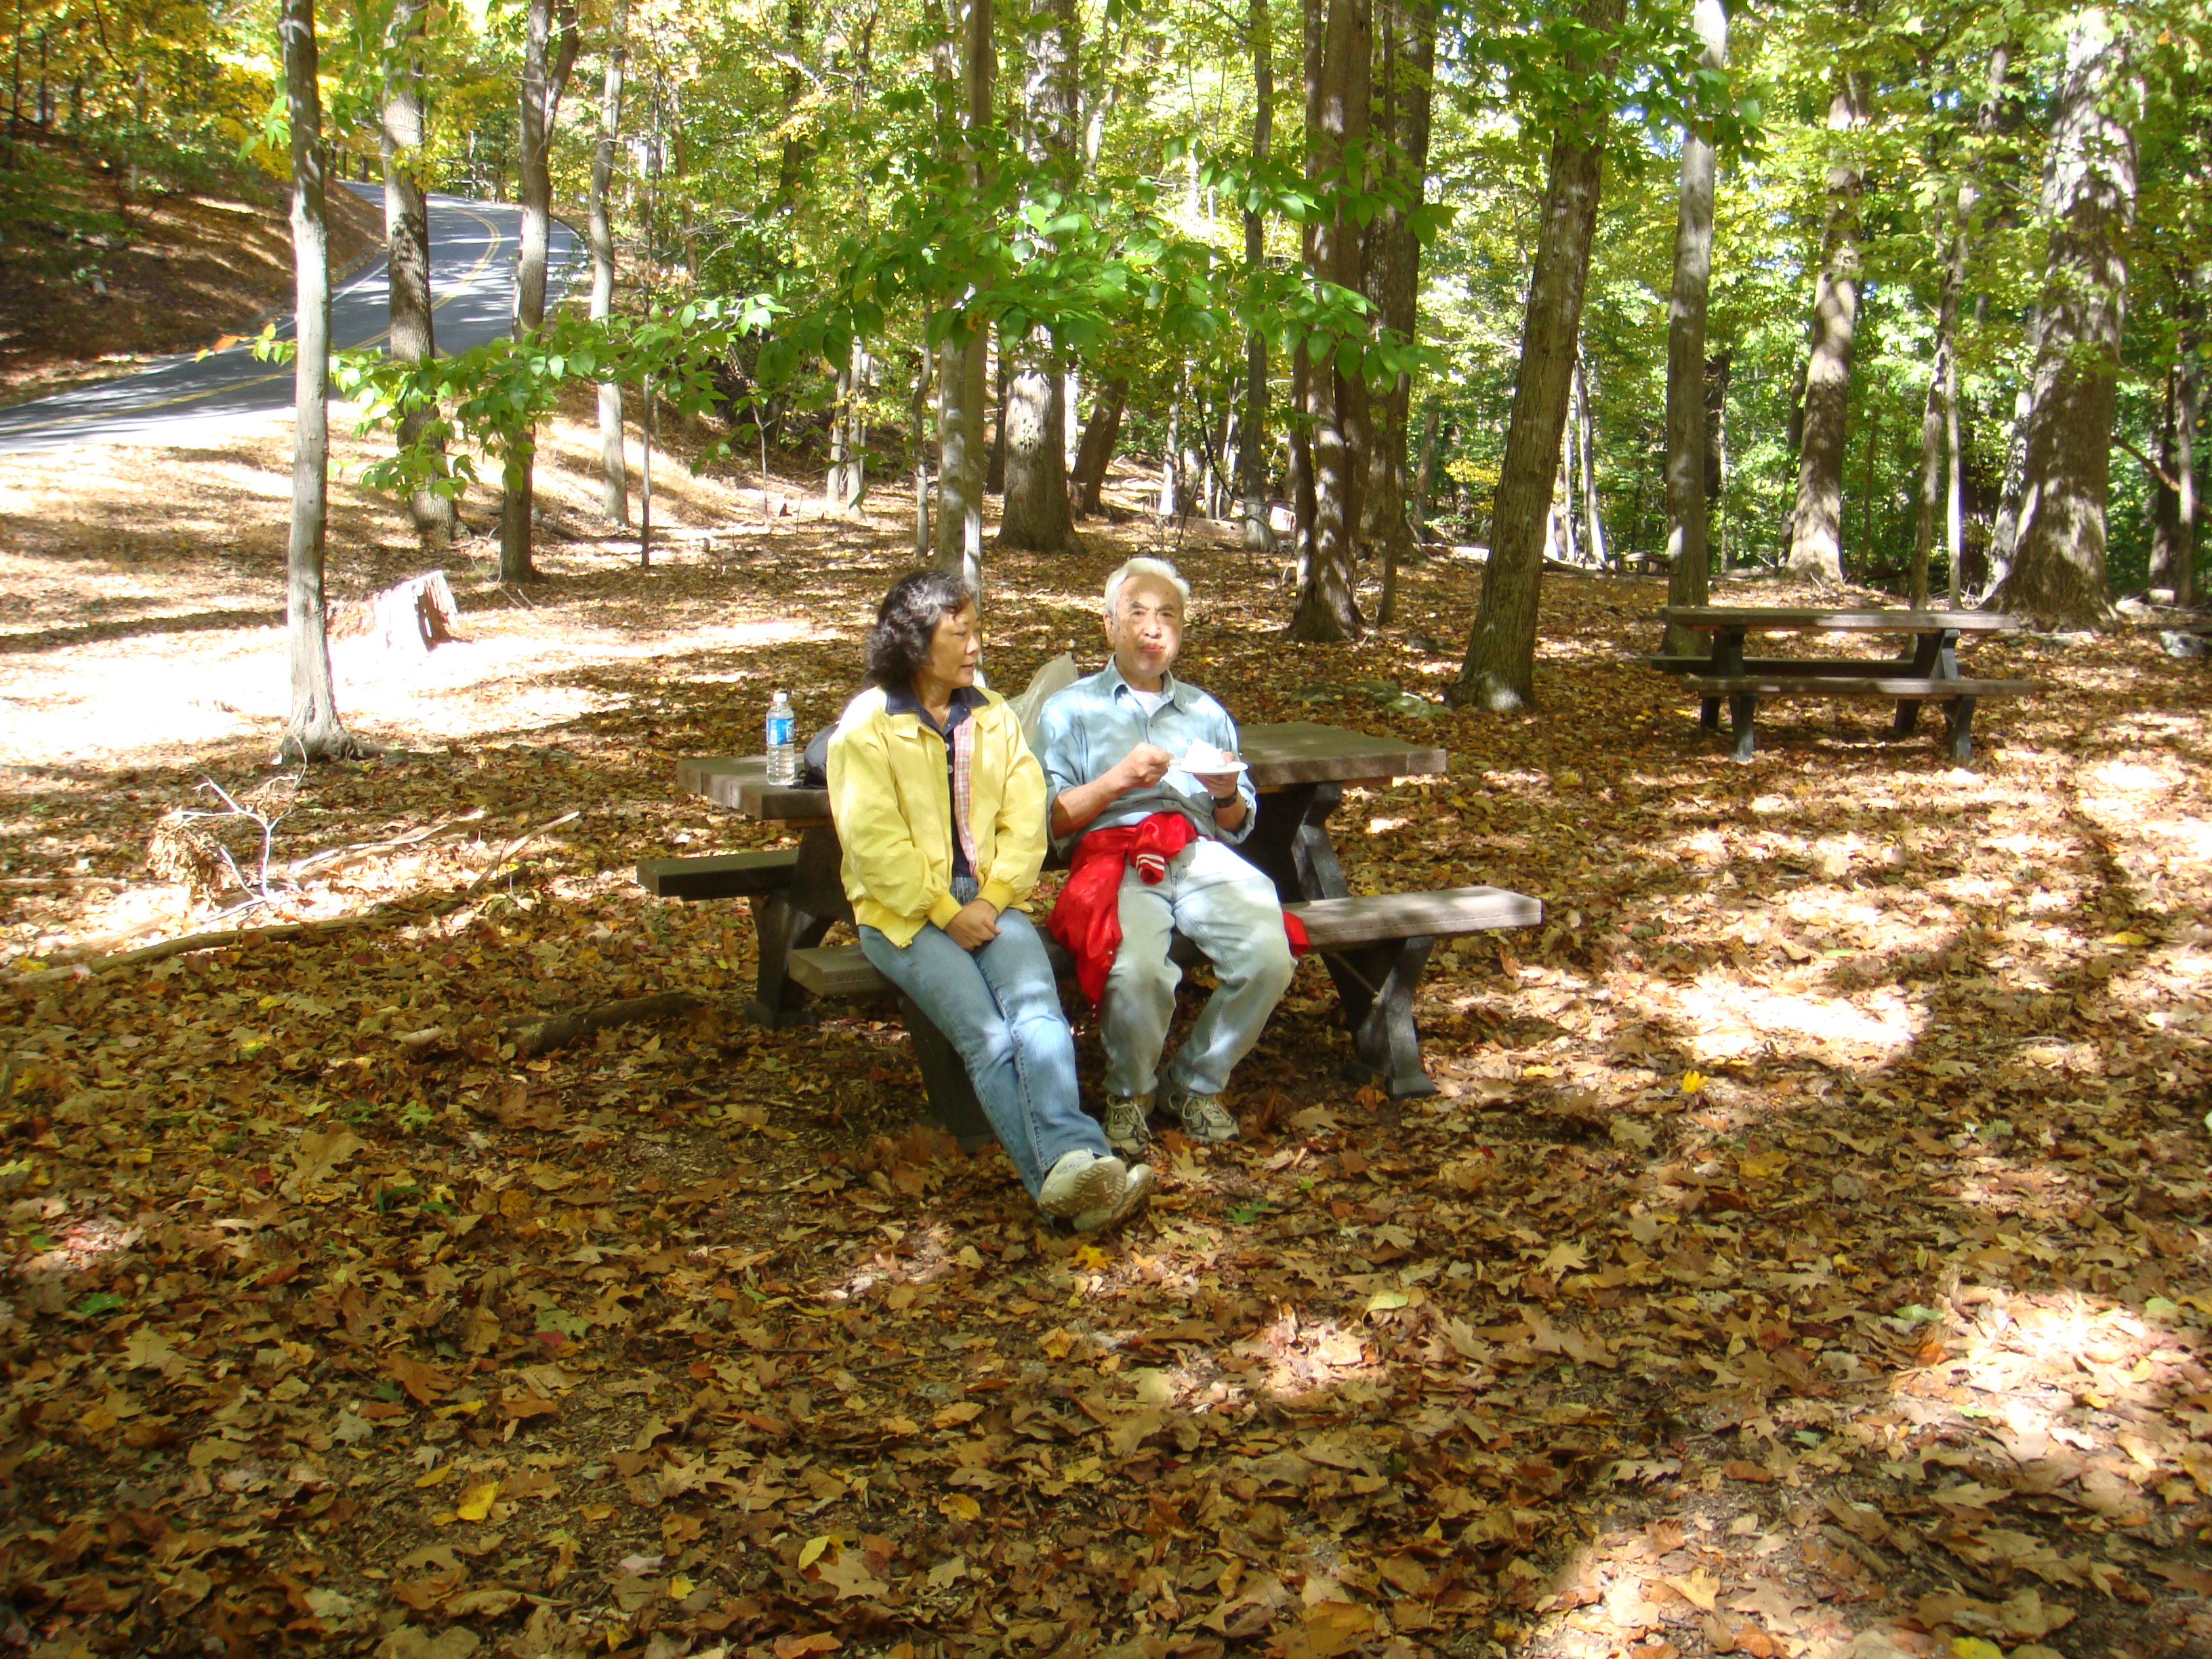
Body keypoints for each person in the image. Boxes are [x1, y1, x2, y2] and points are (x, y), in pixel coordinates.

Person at [827, 571, 1153, 1232]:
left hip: (989, 898)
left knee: (1041, 1020)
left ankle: (1081, 1165)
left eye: (977, 630)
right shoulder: (866, 726)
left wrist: (996, 896)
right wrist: (946, 912)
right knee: (989, 1037)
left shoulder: (993, 714)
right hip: (902, 914)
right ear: (916, 643)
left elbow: (1026, 817)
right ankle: (1067, 1180)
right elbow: (873, 844)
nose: (976, 645)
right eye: (960, 634)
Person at [1035, 557, 1300, 1155]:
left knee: (1268, 956)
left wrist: (1225, 793)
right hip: (1117, 856)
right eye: (1137, 613)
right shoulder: (1070, 710)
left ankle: (1195, 1083)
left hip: (1198, 852)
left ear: (1182, 628)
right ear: (1110, 626)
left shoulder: (1206, 712)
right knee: (1138, 971)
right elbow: (1048, 818)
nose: (1153, 628)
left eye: (1168, 615)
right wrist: (1118, 780)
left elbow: (1237, 824)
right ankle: (1130, 1094)